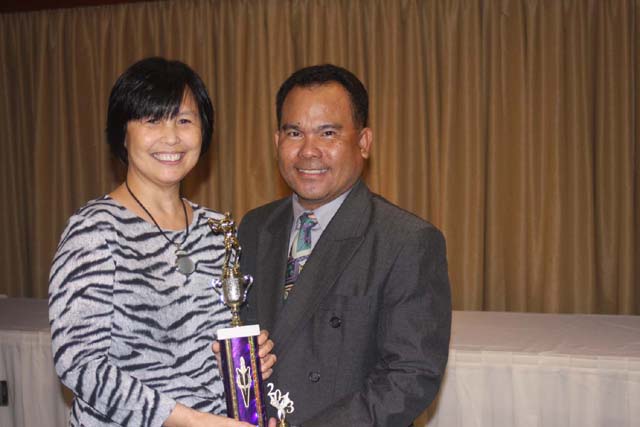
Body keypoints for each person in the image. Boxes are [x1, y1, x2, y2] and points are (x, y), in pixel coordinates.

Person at [49, 57, 276, 427]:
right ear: (123, 133)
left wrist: (245, 359)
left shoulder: (219, 230)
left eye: (184, 120)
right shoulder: (95, 230)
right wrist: (191, 421)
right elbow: (79, 363)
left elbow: (211, 345)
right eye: (152, 120)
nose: (171, 137)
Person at [237, 64, 452, 426]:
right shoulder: (254, 227)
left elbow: (409, 377)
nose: (309, 151)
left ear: (363, 142)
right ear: (277, 142)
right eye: (294, 133)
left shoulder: (406, 240)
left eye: (328, 133)